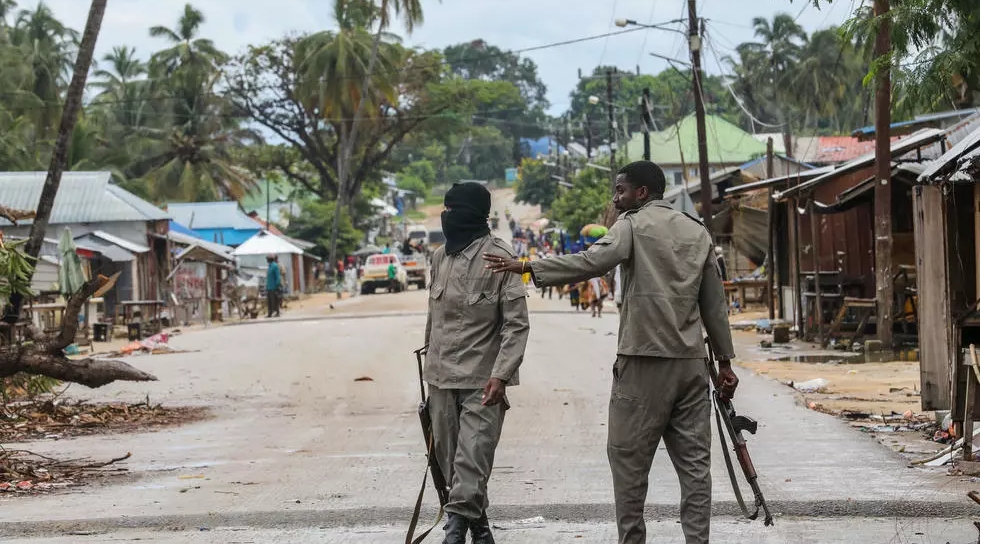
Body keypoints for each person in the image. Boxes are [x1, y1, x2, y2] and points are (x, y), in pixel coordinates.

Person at [483, 160, 738, 544]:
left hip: (642, 363)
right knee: (696, 467)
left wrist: (526, 266)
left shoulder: (632, 225)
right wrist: (725, 363)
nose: (615, 199)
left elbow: (591, 262)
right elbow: (714, 305)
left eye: (620, 191)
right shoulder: (697, 231)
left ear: (642, 193)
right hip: (692, 366)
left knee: (628, 461)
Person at [424, 182, 530, 544]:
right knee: (454, 467)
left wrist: (501, 375)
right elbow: (433, 320)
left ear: (472, 213)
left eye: (453, 209)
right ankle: (481, 533)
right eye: (445, 209)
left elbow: (516, 325)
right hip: (440, 382)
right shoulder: (439, 257)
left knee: (472, 460)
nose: (446, 216)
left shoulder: (500, 257)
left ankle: (452, 535)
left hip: (483, 383)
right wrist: (428, 378)